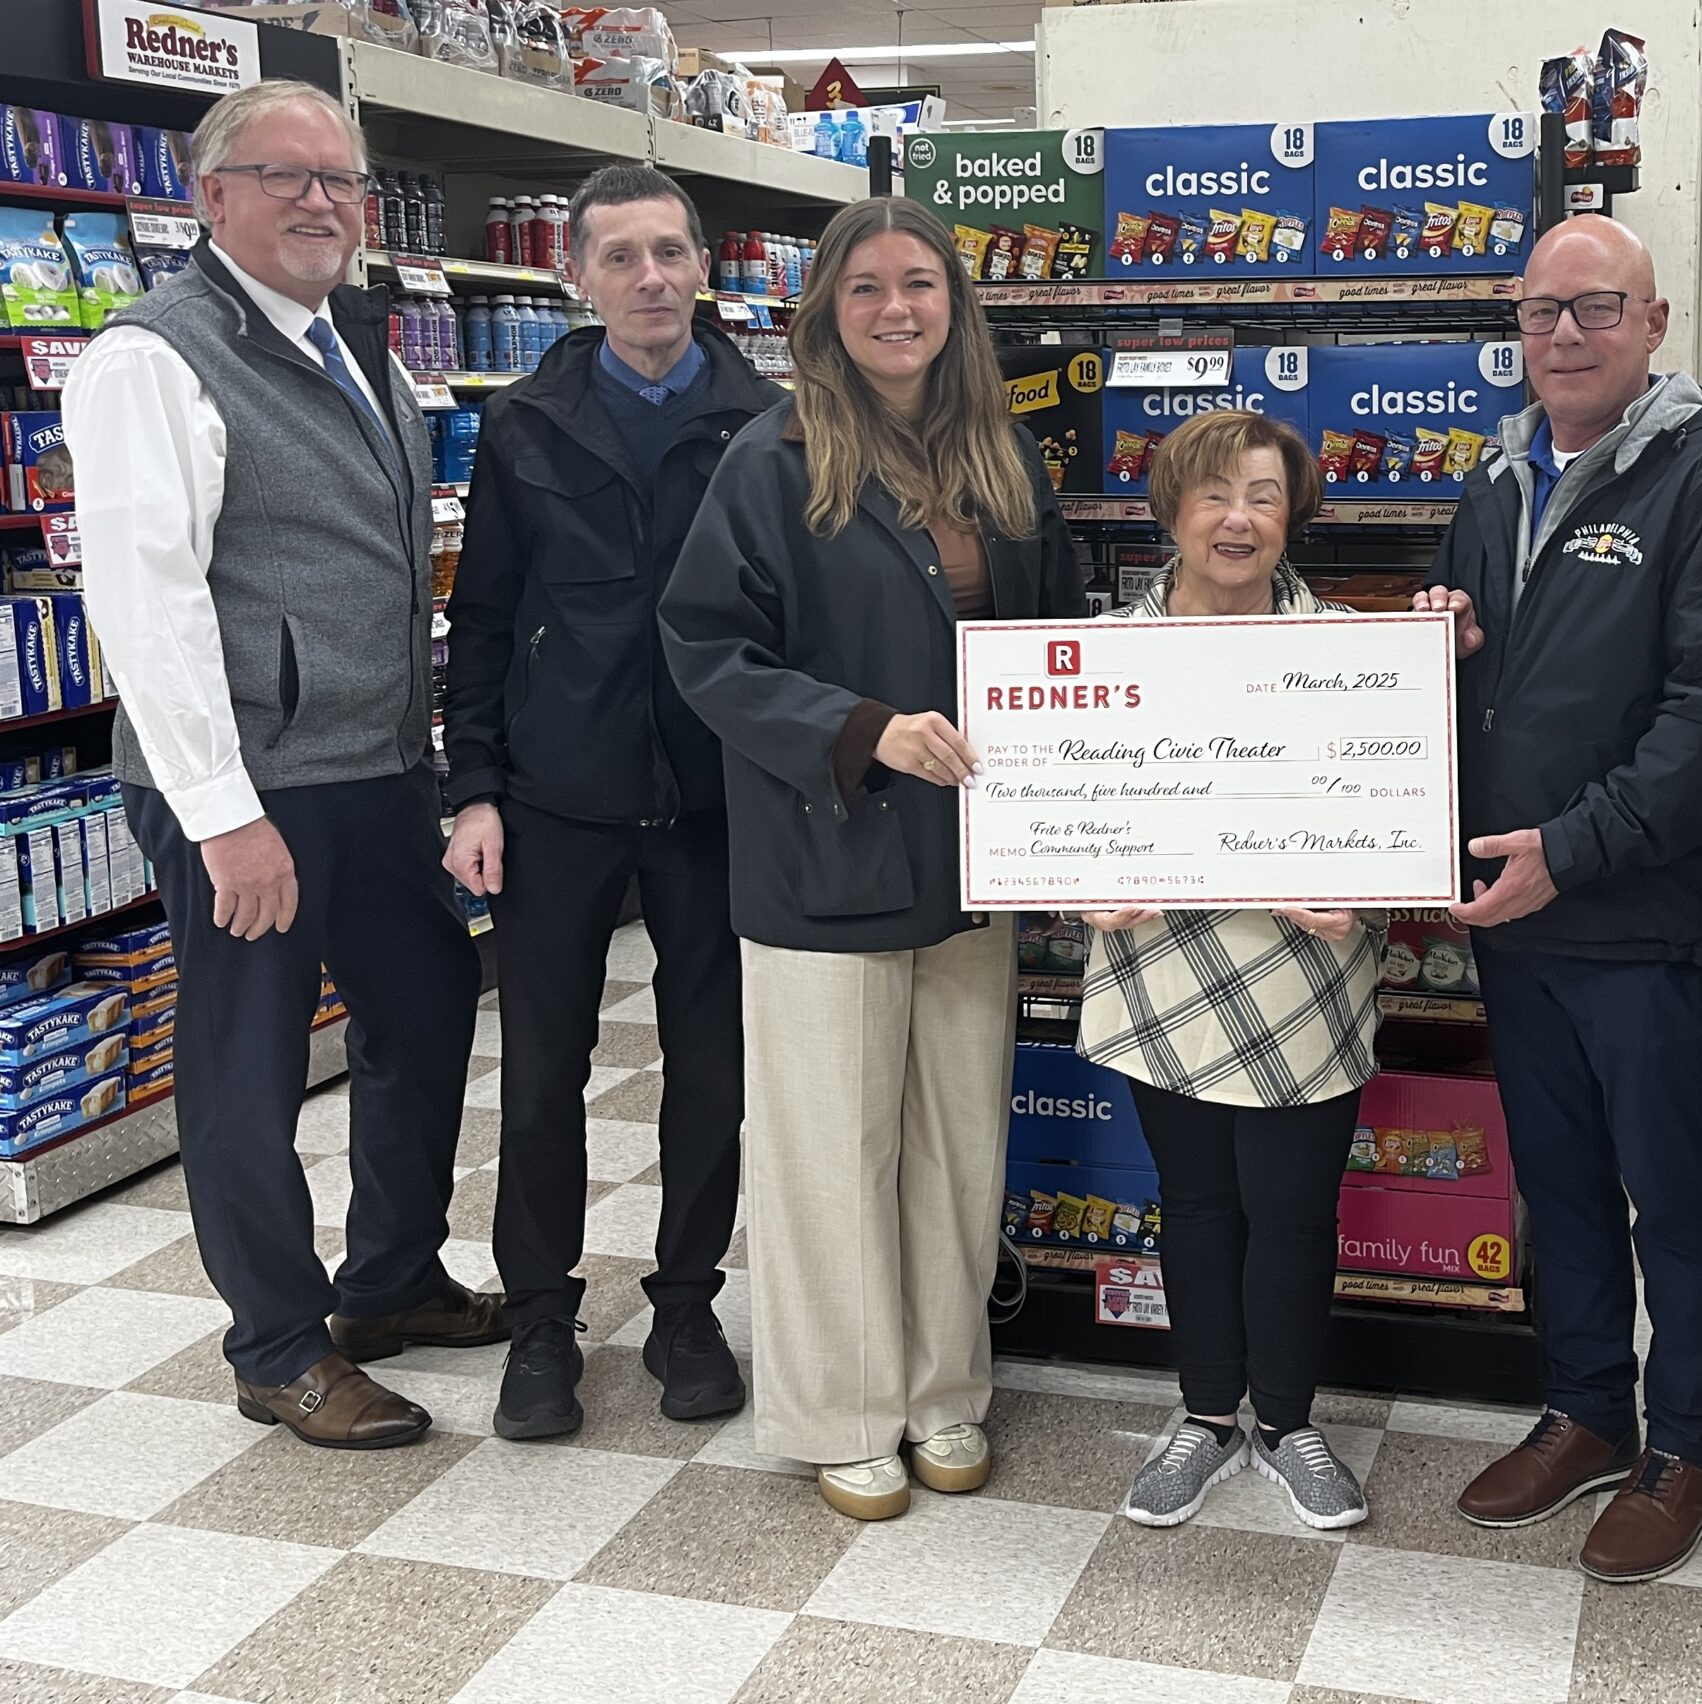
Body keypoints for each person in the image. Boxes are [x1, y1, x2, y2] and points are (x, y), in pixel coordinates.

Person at [61, 79, 494, 1448]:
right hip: (246, 788)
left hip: (372, 767)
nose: (321, 200)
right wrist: (221, 813)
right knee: (246, 1060)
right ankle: (277, 1345)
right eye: (285, 175)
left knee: (426, 1004)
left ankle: (391, 1280)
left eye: (340, 179)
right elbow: (147, 601)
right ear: (211, 196)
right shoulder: (154, 356)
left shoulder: (350, 339)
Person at [660, 197, 1086, 1520]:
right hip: (825, 850)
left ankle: (943, 1387)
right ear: (826, 312)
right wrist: (862, 730)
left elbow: (1058, 634)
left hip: (971, 856)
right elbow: (704, 647)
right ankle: (842, 1409)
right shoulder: (771, 458)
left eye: (918, 284)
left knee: (955, 1138)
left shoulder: (1003, 456)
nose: (895, 309)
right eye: (865, 288)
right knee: (831, 1146)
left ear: (956, 304)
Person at [1413, 215, 1702, 1583]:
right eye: (1541, 312)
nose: (1565, 335)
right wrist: (1449, 648)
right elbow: (1497, 674)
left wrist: (1572, 849)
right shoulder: (1495, 477)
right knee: (1558, 1175)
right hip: (1516, 902)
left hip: (1642, 906)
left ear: (1653, 321)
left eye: (1595, 307)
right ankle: (1586, 1406)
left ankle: (1687, 1446)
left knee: (1669, 1184)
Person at [441, 164, 784, 1440]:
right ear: (576, 275)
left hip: (717, 799)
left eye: (670, 253)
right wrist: (474, 789)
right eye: (621, 256)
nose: (650, 278)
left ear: (702, 267)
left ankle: (686, 1306)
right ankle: (541, 1319)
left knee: (712, 1069)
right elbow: (482, 620)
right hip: (557, 797)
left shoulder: (768, 423)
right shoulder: (526, 423)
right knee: (542, 1074)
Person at [1076, 410, 1383, 1533]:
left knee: (1295, 1210)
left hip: (1306, 971)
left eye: (1262, 495)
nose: (1237, 519)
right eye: (1213, 494)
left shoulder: (1351, 650)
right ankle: (1207, 1414)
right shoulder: (1106, 648)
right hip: (1163, 965)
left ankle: (1290, 1422)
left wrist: (1369, 886)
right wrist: (1075, 880)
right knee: (1197, 1202)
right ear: (1171, 510)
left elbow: (1398, 804)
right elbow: (1064, 800)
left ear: (1293, 514)